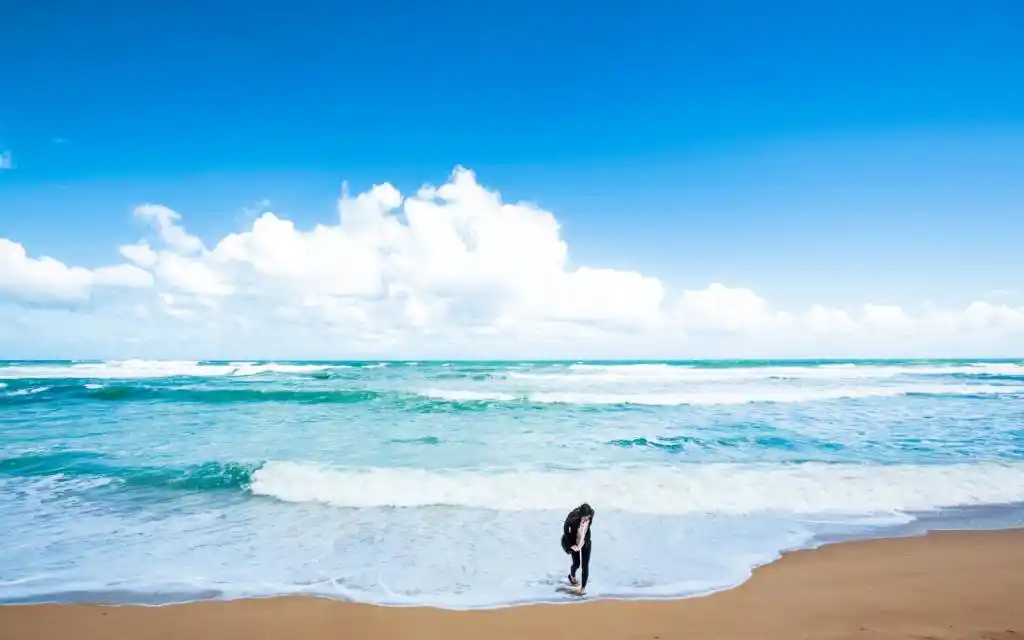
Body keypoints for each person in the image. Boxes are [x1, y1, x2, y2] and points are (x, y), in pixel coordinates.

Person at [561, 503, 594, 594]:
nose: (586, 519)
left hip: (585, 542)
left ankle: (583, 588)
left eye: (588, 517)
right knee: (576, 564)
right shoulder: (573, 517)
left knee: (585, 565)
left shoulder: (591, 514)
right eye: (584, 517)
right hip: (575, 542)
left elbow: (588, 526)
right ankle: (572, 576)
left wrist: (585, 537)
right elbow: (565, 529)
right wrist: (571, 544)